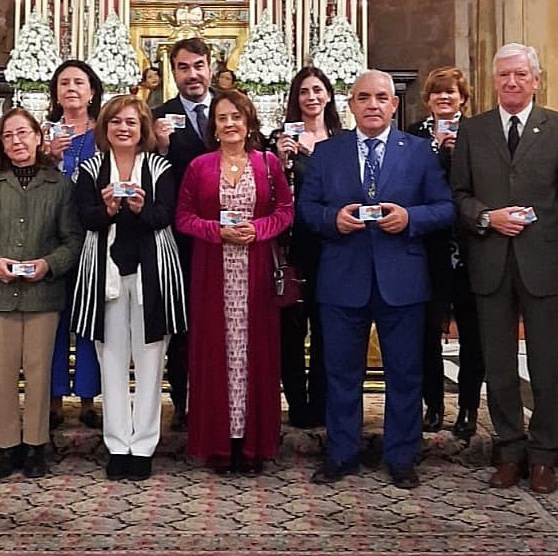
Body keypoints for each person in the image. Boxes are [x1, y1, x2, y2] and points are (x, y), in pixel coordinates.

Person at [298, 70, 455, 489]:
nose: (372, 104)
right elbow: (306, 209)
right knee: (340, 373)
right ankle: (342, 453)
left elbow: (445, 207)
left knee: (405, 374)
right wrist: (333, 219)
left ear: (394, 105)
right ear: (349, 104)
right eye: (363, 97)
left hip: (401, 278)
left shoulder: (419, 152)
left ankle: (402, 455)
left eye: (381, 97)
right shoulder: (328, 153)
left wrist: (411, 218)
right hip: (341, 278)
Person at [450, 43, 558, 494]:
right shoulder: (474, 131)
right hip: (490, 261)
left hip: (545, 262)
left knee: (548, 365)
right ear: (494, 81)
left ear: (536, 79)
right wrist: (486, 217)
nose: (512, 82)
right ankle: (509, 450)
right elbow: (459, 194)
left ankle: (546, 455)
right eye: (504, 75)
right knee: (499, 365)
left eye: (520, 75)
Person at [0, 108, 83, 479]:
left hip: (43, 293)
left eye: (23, 133)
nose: (17, 141)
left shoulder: (59, 186)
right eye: (9, 135)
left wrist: (49, 264)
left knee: (38, 371)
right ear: (1, 143)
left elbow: (73, 239)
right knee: (1, 372)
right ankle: (7, 446)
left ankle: (35, 445)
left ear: (38, 137)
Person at [175, 89, 293, 473]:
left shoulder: (267, 163)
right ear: (214, 125)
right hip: (213, 273)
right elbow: (184, 217)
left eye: (236, 117)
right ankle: (221, 446)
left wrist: (258, 229)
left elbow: (286, 211)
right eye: (222, 117)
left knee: (254, 355)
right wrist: (216, 232)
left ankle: (253, 445)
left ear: (249, 123)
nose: (230, 124)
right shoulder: (199, 166)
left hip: (256, 272)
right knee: (216, 354)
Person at [71, 96, 187, 479]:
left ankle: (144, 445)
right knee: (112, 361)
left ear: (144, 130)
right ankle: (118, 444)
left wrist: (139, 208)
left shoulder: (159, 167)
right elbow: (84, 218)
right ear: (105, 128)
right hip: (105, 274)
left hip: (152, 274)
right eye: (116, 122)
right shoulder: (90, 168)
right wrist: (105, 211)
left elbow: (166, 216)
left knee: (151, 360)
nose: (124, 128)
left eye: (132, 123)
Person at [406, 66, 484, 441]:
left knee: (473, 332)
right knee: (427, 330)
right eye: (437, 93)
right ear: (428, 99)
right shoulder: (414, 137)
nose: (444, 99)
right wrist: (438, 151)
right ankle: (433, 404)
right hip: (430, 248)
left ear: (463, 98)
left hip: (472, 248)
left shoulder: (478, 133)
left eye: (451, 93)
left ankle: (468, 407)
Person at [152, 36, 216, 428]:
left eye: (198, 65)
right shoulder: (158, 115)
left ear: (211, 67)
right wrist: (158, 147)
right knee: (183, 323)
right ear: (173, 72)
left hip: (229, 234)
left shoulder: (231, 110)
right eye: (183, 67)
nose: (191, 75)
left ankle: (221, 399)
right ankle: (182, 401)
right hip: (179, 237)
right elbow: (148, 174)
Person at [272, 65, 341, 429]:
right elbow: (270, 192)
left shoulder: (343, 139)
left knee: (328, 326)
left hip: (333, 243)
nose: (311, 97)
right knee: (292, 330)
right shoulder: (280, 139)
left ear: (328, 95)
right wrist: (281, 162)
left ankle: (323, 403)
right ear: (295, 99)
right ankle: (297, 403)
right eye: (303, 92)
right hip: (293, 244)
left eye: (317, 90)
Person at [44, 59, 103, 428]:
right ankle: (51, 397)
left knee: (88, 319)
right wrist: (46, 156)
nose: (71, 89)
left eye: (79, 82)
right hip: (49, 237)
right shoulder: (43, 133)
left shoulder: (105, 133)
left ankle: (87, 397)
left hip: (93, 237)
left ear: (92, 91)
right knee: (53, 320)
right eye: (64, 82)